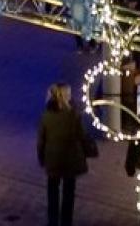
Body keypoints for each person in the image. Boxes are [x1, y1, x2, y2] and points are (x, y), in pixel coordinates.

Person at [36, 83, 91, 226]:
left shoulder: (46, 116)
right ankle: (66, 222)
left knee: (52, 193)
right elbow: (82, 135)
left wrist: (41, 158)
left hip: (53, 160)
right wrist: (88, 150)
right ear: (67, 95)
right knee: (69, 194)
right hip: (70, 160)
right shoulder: (73, 114)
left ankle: (52, 222)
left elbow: (41, 140)